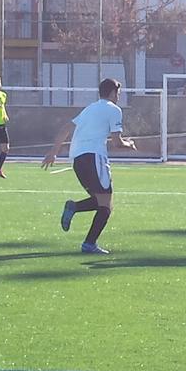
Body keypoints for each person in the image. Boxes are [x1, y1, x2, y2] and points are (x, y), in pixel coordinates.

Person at [41, 78, 136, 254]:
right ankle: (89, 244)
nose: (118, 97)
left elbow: (65, 129)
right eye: (118, 94)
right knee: (106, 206)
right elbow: (116, 142)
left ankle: (74, 208)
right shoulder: (114, 110)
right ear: (113, 93)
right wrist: (129, 144)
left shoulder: (89, 109)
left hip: (77, 159)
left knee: (100, 201)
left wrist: (53, 152)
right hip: (95, 158)